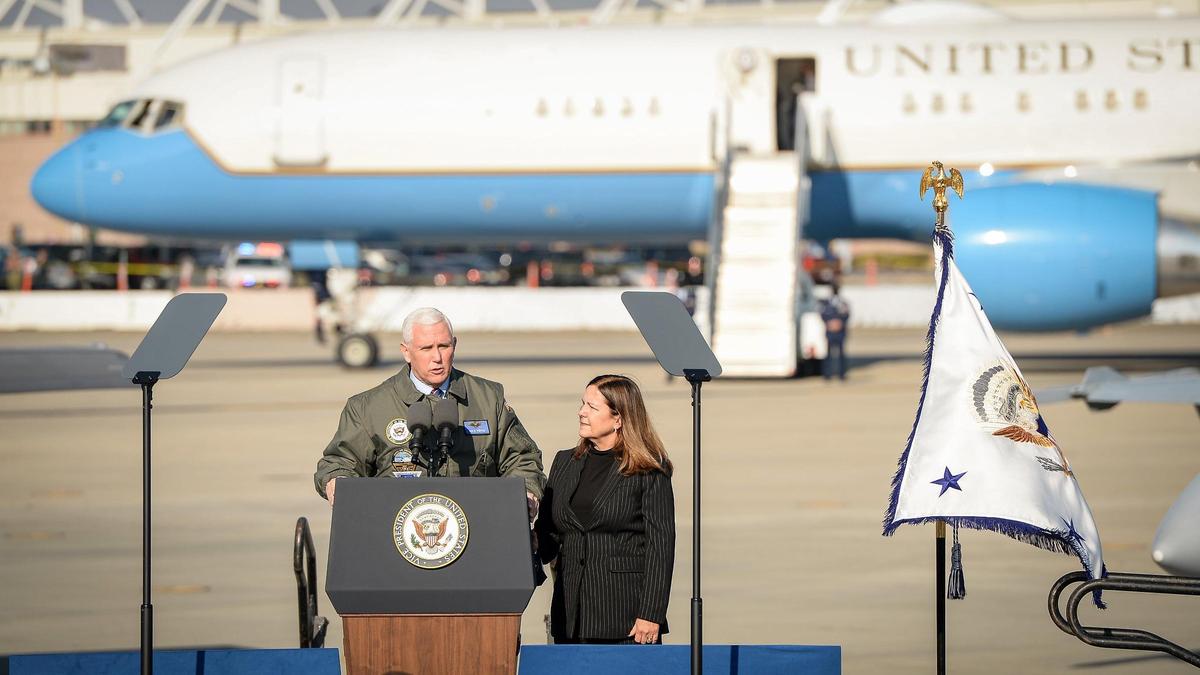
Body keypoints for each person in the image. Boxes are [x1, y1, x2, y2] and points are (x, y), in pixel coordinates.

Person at [314, 307, 545, 513]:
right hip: (394, 534)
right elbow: (338, 463)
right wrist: (337, 481)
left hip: (478, 527)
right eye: (426, 348)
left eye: (444, 346)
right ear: (406, 352)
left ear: (454, 345)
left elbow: (523, 458)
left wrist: (525, 493)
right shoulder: (368, 408)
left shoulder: (488, 399)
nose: (437, 358)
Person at [535, 374, 675, 645]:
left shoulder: (649, 470)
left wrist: (651, 613)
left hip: (626, 620)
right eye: (582, 404)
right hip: (571, 616)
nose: (581, 412)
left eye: (592, 407)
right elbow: (549, 535)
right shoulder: (565, 462)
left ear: (618, 419)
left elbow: (661, 547)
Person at [820, 286, 851, 381]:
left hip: (840, 332)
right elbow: (822, 314)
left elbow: (847, 314)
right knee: (828, 354)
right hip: (830, 332)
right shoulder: (826, 303)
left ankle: (842, 374)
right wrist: (829, 323)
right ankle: (827, 374)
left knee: (841, 354)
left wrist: (840, 323)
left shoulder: (843, 303)